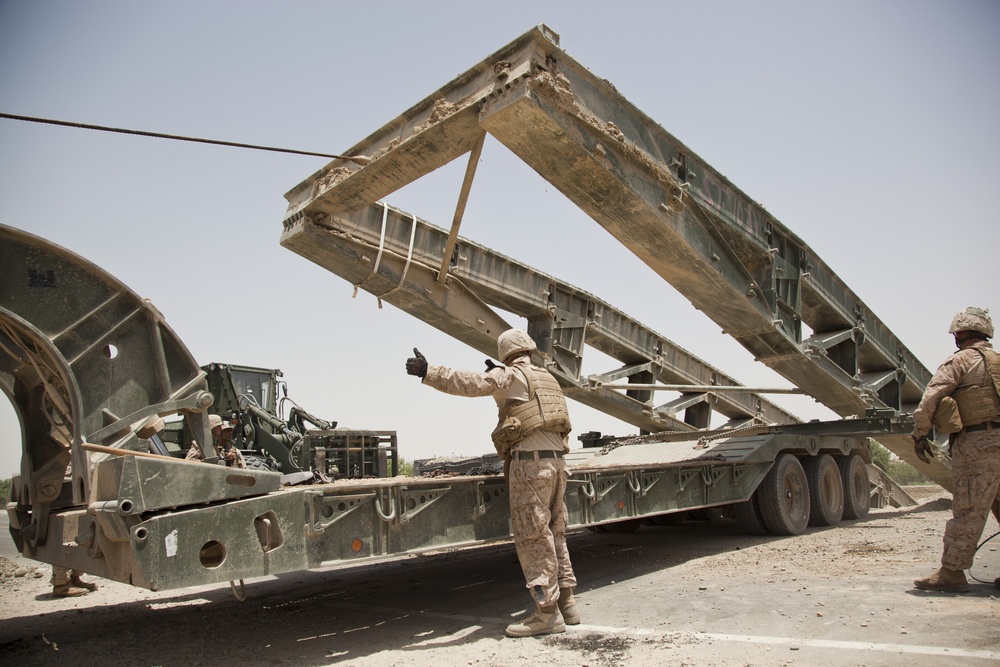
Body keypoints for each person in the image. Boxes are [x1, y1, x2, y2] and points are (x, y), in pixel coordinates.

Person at [406, 329, 579, 637]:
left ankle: (547, 615)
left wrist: (429, 371)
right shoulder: (547, 378)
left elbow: (470, 383)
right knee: (556, 533)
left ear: (505, 353)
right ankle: (567, 604)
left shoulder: (511, 375)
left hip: (531, 467)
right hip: (558, 463)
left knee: (533, 537)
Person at [911, 307, 1000, 592]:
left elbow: (931, 399)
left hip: (978, 445)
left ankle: (952, 572)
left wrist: (920, 434)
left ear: (959, 334)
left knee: (969, 509)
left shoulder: (959, 362)